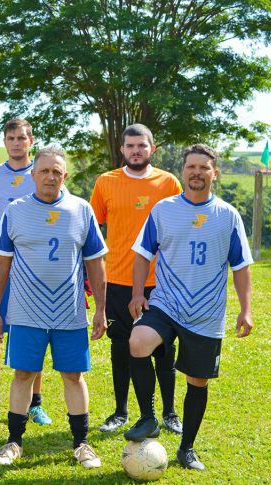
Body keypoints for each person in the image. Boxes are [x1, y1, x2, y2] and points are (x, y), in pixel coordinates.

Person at [125, 144, 253, 471]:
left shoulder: (228, 215)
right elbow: (142, 254)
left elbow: (241, 266)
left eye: (203, 167)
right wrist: (138, 293)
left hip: (206, 312)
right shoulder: (163, 210)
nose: (197, 172)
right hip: (166, 303)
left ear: (214, 173)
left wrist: (246, 309)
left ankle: (187, 449)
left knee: (198, 381)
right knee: (138, 342)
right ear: (183, 171)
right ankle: (149, 418)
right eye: (191, 167)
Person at [0, 147, 108, 469]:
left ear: (65, 176)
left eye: (57, 171)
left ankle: (82, 443)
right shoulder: (15, 211)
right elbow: (1, 264)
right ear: (33, 174)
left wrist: (100, 309)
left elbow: (95, 263)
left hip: (70, 312)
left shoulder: (81, 209)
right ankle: (14, 442)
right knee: (23, 374)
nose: (50, 177)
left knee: (73, 375)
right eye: (44, 171)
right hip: (25, 312)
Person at [89, 123, 183, 435]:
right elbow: (92, 229)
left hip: (160, 282)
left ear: (152, 149)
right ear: (122, 150)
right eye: (130, 146)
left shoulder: (168, 183)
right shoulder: (106, 181)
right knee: (121, 349)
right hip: (117, 280)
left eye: (142, 145)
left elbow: (181, 228)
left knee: (164, 350)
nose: (136, 151)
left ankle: (169, 413)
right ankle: (120, 412)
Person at [0, 118, 53, 426]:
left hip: (33, 272)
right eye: (11, 138)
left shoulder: (43, 173)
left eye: (22, 138)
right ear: (4, 142)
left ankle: (35, 404)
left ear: (31, 141)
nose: (17, 143)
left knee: (35, 336)